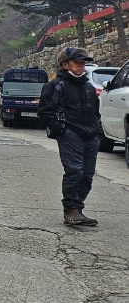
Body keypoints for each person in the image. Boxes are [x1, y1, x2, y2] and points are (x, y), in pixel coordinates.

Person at [38, 46, 103, 227]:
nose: (81, 65)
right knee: (74, 170)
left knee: (87, 175)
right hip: (70, 133)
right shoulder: (55, 85)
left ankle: (78, 209)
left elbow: (96, 112)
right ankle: (71, 209)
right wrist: (61, 129)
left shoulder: (89, 87)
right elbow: (44, 112)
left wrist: (97, 130)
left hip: (90, 135)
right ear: (65, 64)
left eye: (83, 62)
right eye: (77, 62)